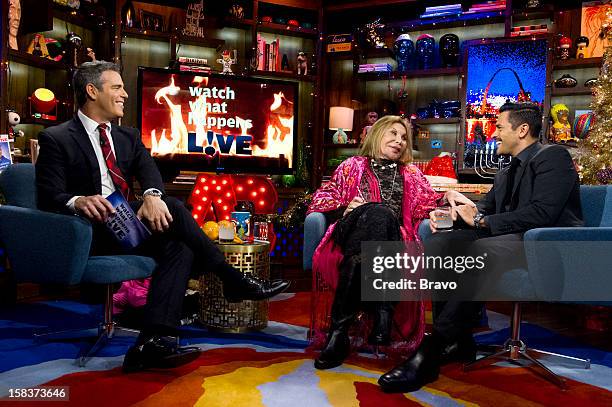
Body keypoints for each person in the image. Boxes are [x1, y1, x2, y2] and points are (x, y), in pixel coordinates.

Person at [35, 61, 290, 373]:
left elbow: (149, 173)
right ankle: (232, 280)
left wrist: (152, 196)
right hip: (88, 231)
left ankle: (152, 342)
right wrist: (79, 201)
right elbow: (48, 196)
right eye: (116, 87)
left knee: (178, 240)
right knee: (179, 217)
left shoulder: (127, 136)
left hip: (127, 227)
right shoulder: (57, 138)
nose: (125, 94)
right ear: (91, 91)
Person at [378, 102, 583, 392]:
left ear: (522, 130)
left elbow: (542, 214)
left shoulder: (554, 157)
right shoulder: (506, 171)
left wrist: (483, 220)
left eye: (499, 127)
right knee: (440, 243)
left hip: (544, 244)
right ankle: (460, 341)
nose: (493, 133)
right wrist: (451, 217)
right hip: (509, 239)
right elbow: (485, 210)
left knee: (480, 251)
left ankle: (431, 351)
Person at [307, 115, 473, 370]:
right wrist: (344, 210)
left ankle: (338, 332)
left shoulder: (410, 173)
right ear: (377, 135)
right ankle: (383, 312)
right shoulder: (352, 165)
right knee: (378, 212)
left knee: (376, 226)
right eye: (393, 134)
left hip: (388, 238)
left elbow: (428, 201)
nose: (399, 141)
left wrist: (447, 196)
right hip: (348, 230)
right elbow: (321, 200)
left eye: (404, 138)